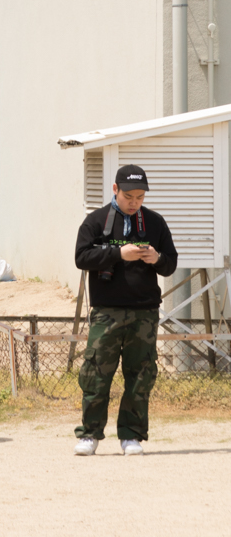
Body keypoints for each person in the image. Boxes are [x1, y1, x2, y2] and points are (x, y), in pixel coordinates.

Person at [73, 161, 177, 456]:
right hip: (107, 310)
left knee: (141, 374)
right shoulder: (96, 221)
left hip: (144, 312)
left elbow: (171, 264)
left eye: (140, 197)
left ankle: (131, 435)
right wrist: (119, 253)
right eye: (129, 196)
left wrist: (155, 258)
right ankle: (89, 434)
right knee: (96, 372)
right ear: (115, 189)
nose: (134, 203)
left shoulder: (155, 223)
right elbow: (81, 257)